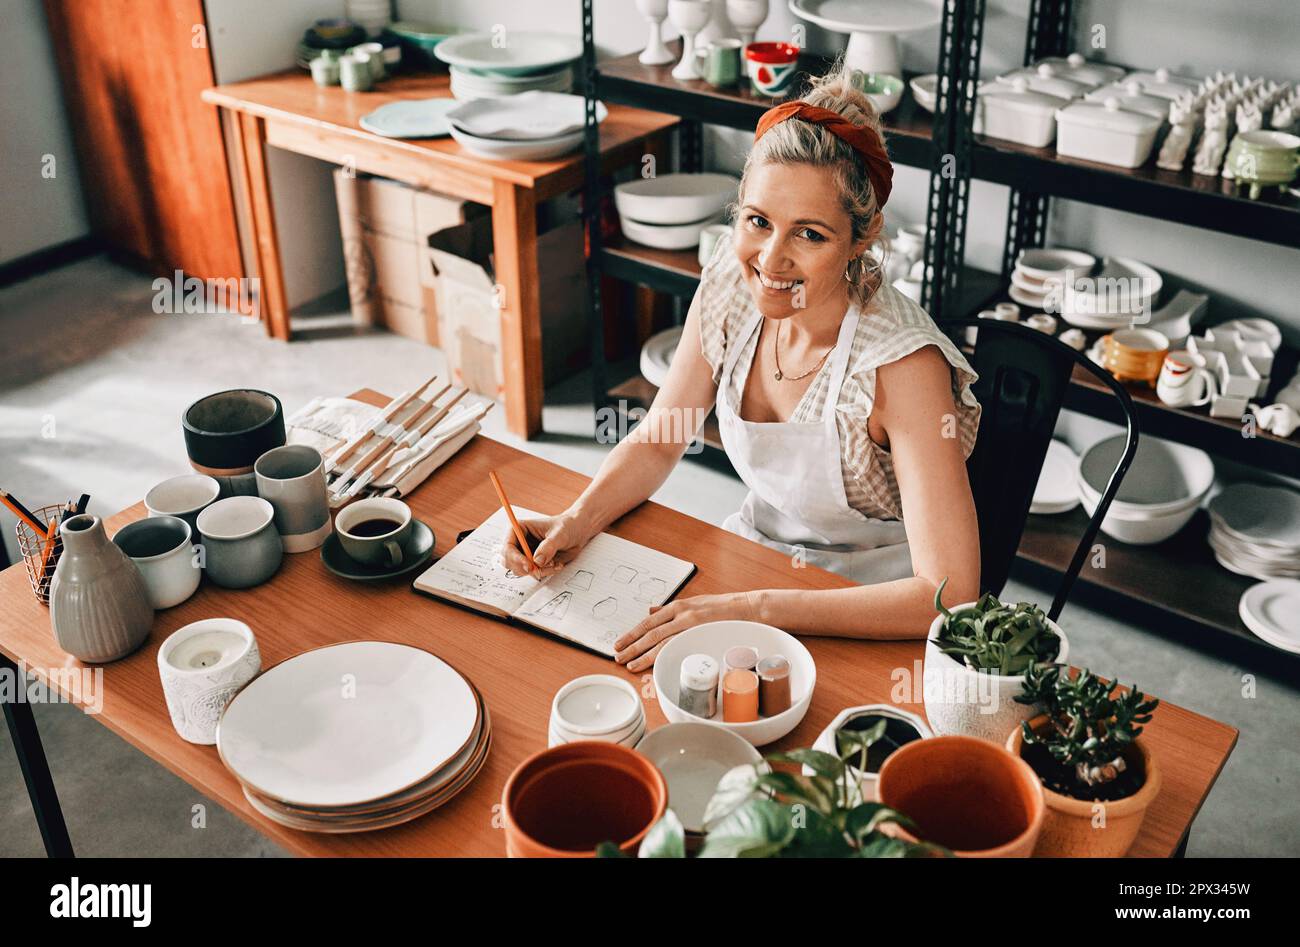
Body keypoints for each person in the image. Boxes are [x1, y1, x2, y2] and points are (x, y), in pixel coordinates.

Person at [503, 66, 982, 672]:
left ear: (862, 238)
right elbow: (660, 439)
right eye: (757, 222)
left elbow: (949, 596)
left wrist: (755, 608)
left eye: (809, 234)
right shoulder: (732, 286)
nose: (771, 260)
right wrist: (575, 520)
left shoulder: (903, 364)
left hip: (871, 606)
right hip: (754, 560)